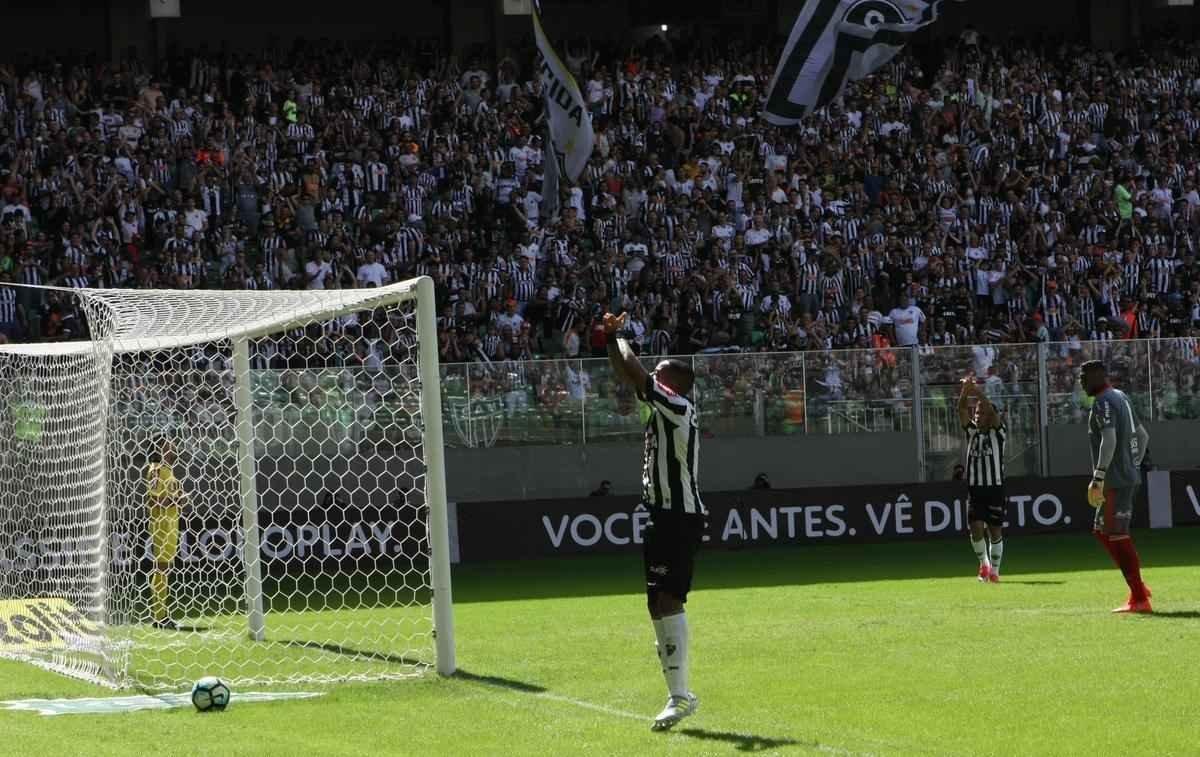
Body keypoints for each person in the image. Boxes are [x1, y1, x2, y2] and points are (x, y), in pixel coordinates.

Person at [603, 310, 705, 731]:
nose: (656, 379)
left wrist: (617, 335)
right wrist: (611, 341)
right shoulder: (661, 407)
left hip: (680, 516)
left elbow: (635, 374)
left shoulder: (678, 407)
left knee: (668, 601)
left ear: (675, 385)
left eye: (663, 374)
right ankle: (679, 693)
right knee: (655, 605)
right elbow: (629, 372)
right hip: (660, 513)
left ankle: (680, 696)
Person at [1080, 360, 1153, 613]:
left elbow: (1108, 439)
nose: (1081, 382)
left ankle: (1140, 599)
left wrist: (1098, 477)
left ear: (1095, 378)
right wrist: (1133, 463)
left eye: (1083, 377)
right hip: (1124, 477)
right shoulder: (1120, 396)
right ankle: (1139, 588)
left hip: (1115, 482)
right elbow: (1143, 436)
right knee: (1101, 531)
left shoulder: (1102, 402)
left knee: (1118, 535)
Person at [957, 377, 1007, 583]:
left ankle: (995, 570)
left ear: (991, 416)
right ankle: (984, 565)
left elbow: (990, 409)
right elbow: (960, 410)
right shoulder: (972, 433)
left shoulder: (999, 433)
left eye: (981, 413)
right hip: (975, 489)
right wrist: (965, 390)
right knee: (976, 528)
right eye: (976, 413)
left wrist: (976, 390)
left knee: (995, 531)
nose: (977, 416)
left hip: (994, 488)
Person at [145, 436, 188, 629]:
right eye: (169, 444)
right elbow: (154, 501)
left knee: (166, 569)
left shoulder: (169, 471)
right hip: (161, 524)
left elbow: (170, 498)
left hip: (172, 523)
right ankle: (159, 616)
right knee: (161, 567)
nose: (173, 446)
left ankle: (161, 613)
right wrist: (176, 501)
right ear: (159, 448)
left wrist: (180, 500)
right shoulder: (155, 470)